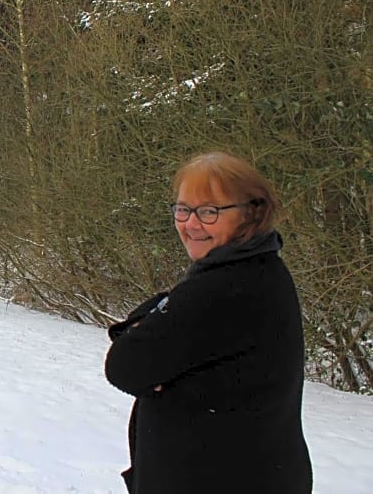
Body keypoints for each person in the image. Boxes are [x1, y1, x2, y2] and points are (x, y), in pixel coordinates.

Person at [104, 152, 312, 493]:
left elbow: (125, 366)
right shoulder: (262, 269)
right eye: (183, 209)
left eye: (209, 211)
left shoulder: (227, 287)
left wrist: (146, 330)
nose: (191, 223)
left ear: (250, 213)